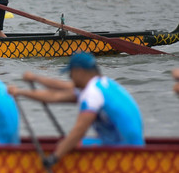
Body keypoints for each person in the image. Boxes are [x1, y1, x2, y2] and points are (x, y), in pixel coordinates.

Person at [8, 52, 144, 166]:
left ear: (79, 71)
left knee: (70, 144)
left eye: (71, 73)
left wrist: (54, 158)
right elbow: (55, 96)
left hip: (125, 152)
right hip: (132, 145)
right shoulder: (104, 84)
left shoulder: (92, 93)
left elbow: (79, 131)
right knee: (69, 143)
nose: (70, 77)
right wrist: (21, 91)